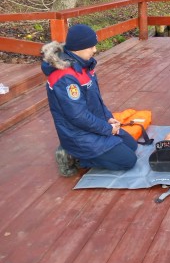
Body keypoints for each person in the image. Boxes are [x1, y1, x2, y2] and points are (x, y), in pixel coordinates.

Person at [42, 24, 137, 176]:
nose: (95, 50)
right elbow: (77, 116)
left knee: (132, 145)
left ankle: (92, 151)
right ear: (78, 48)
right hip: (78, 134)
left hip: (94, 125)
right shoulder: (65, 77)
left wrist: (108, 118)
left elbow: (95, 100)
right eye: (91, 47)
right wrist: (107, 129)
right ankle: (74, 155)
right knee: (128, 160)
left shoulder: (83, 66)